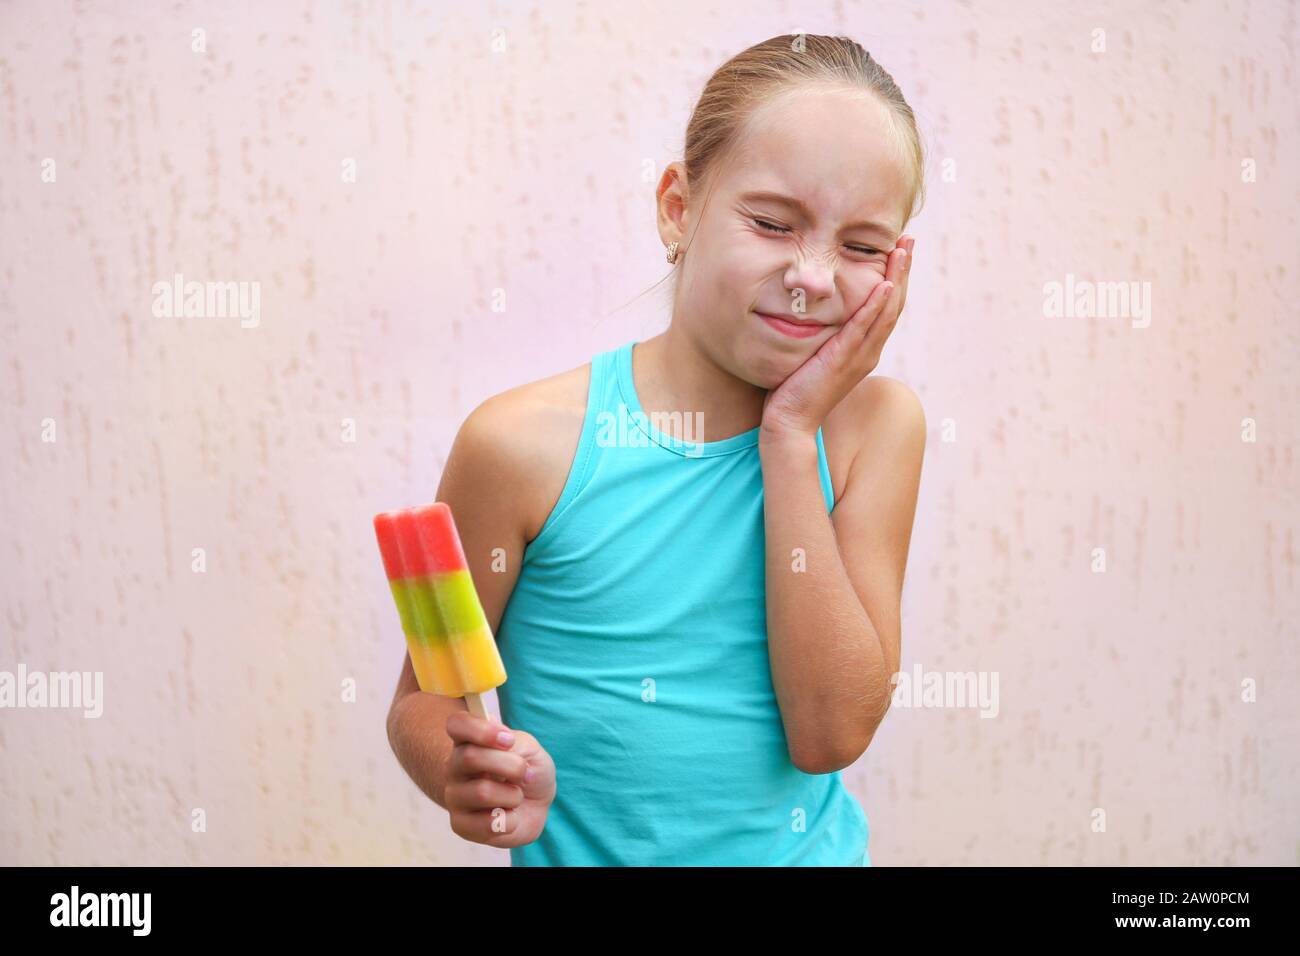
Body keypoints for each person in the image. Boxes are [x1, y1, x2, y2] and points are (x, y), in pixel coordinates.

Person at [386, 33, 926, 866]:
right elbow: (424, 700)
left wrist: (789, 435)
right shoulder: (521, 447)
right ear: (680, 207)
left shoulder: (875, 431)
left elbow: (831, 733)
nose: (815, 276)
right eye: (772, 223)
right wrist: (462, 768)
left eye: (860, 247)